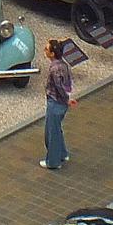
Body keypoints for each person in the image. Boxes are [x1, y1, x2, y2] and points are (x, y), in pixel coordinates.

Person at [41, 38, 72, 170]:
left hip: (55, 102)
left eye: (47, 49)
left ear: (52, 53)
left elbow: (59, 87)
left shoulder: (55, 68)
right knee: (57, 128)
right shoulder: (63, 65)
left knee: (51, 132)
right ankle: (62, 153)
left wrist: (66, 99)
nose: (45, 51)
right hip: (60, 102)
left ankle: (53, 161)